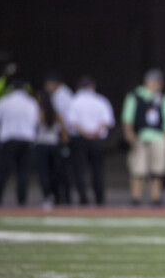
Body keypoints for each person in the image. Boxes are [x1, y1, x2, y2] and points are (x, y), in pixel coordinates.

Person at [122, 69, 165, 206]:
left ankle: (155, 196)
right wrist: (130, 134)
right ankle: (136, 196)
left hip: (158, 136)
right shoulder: (135, 95)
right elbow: (127, 117)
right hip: (140, 136)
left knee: (157, 169)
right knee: (137, 169)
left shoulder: (164, 97)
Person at [67, 76, 115, 206]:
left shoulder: (74, 101)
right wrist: (94, 133)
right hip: (97, 139)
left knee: (80, 170)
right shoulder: (101, 101)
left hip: (80, 139)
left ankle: (83, 198)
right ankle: (99, 198)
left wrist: (86, 133)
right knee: (97, 170)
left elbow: (73, 123)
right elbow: (106, 122)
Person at [0, 76, 39, 205]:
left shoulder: (4, 101)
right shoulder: (31, 102)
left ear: (11, 88)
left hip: (9, 140)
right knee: (23, 172)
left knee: (2, 171)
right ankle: (22, 200)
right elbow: (35, 121)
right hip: (26, 140)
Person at [44, 74, 75, 204]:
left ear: (54, 83)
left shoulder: (63, 95)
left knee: (62, 170)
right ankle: (62, 198)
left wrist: (64, 134)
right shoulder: (60, 94)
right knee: (58, 170)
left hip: (63, 135)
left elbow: (62, 117)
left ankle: (65, 198)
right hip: (61, 135)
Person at [35, 91, 67, 209]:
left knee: (45, 173)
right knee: (54, 172)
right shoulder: (55, 113)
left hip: (43, 145)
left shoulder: (39, 112)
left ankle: (49, 196)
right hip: (54, 145)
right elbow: (63, 130)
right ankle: (55, 195)